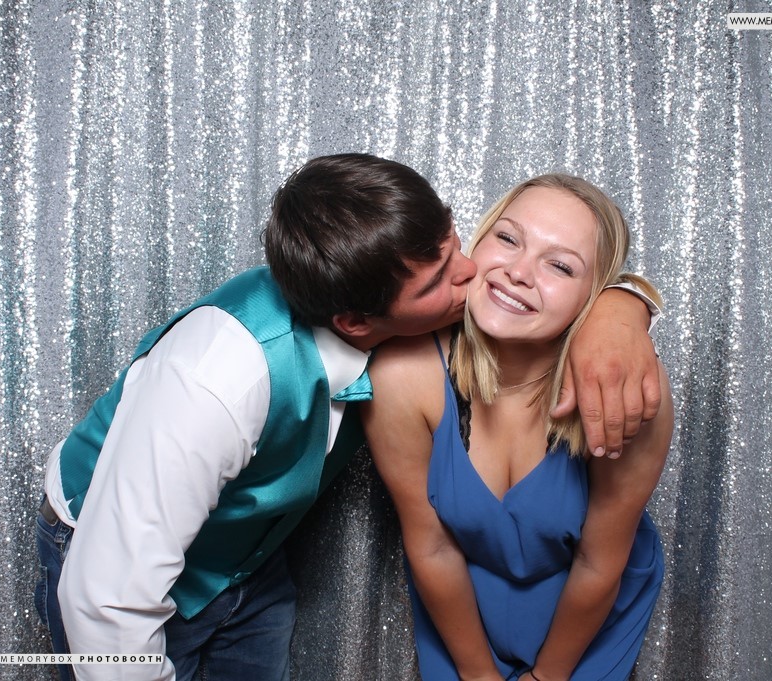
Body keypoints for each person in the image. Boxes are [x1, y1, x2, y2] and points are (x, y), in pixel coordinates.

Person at [34, 154, 663, 681]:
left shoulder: (381, 274)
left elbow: (569, 270)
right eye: (439, 281)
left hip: (250, 559)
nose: (474, 272)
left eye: (454, 245)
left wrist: (624, 303)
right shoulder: (218, 379)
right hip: (114, 565)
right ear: (357, 324)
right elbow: (107, 599)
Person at [362, 173, 674, 681]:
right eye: (508, 238)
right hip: (458, 606)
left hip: (589, 612)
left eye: (560, 265)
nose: (518, 272)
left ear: (594, 296)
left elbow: (599, 564)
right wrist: (477, 674)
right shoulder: (402, 375)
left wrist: (546, 677)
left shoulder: (628, 391)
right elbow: (432, 547)